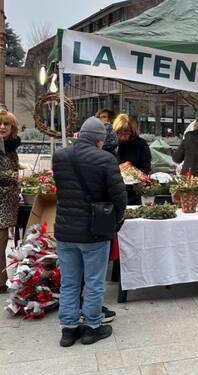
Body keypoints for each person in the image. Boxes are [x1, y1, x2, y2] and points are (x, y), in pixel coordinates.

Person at [52, 117, 127, 347]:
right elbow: (119, 197)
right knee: (94, 281)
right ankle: (92, 327)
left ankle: (68, 329)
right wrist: (117, 218)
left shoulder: (60, 156)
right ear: (99, 140)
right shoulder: (106, 159)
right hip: (94, 231)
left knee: (70, 282)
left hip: (65, 230)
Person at [0, 110, 20, 293]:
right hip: (1, 201)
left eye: (6, 123)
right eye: (0, 123)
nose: (2, 127)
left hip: (8, 201)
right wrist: (16, 177)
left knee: (3, 241)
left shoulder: (10, 147)